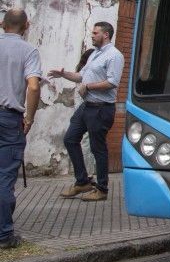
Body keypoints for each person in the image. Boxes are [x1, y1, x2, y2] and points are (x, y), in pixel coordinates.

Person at [48, 22, 124, 201]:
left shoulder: (114, 56)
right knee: (70, 139)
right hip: (87, 106)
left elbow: (112, 82)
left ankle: (102, 189)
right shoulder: (95, 55)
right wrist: (64, 74)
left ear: (105, 35)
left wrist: (88, 87)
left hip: (101, 108)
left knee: (98, 149)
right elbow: (81, 76)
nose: (92, 35)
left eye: (95, 33)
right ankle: (82, 182)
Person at [0, 8, 42, 249]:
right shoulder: (28, 51)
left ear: (2, 24)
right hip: (8, 118)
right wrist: (30, 117)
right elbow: (34, 87)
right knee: (5, 177)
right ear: (26, 26)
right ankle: (4, 235)